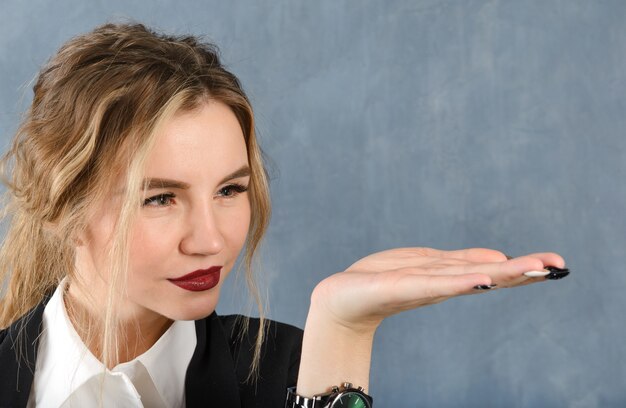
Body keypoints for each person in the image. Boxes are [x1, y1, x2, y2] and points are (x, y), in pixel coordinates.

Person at [0, 23, 568, 407]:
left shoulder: (295, 372)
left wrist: (343, 330)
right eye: (161, 198)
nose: (211, 240)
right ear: (61, 210)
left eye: (229, 190)